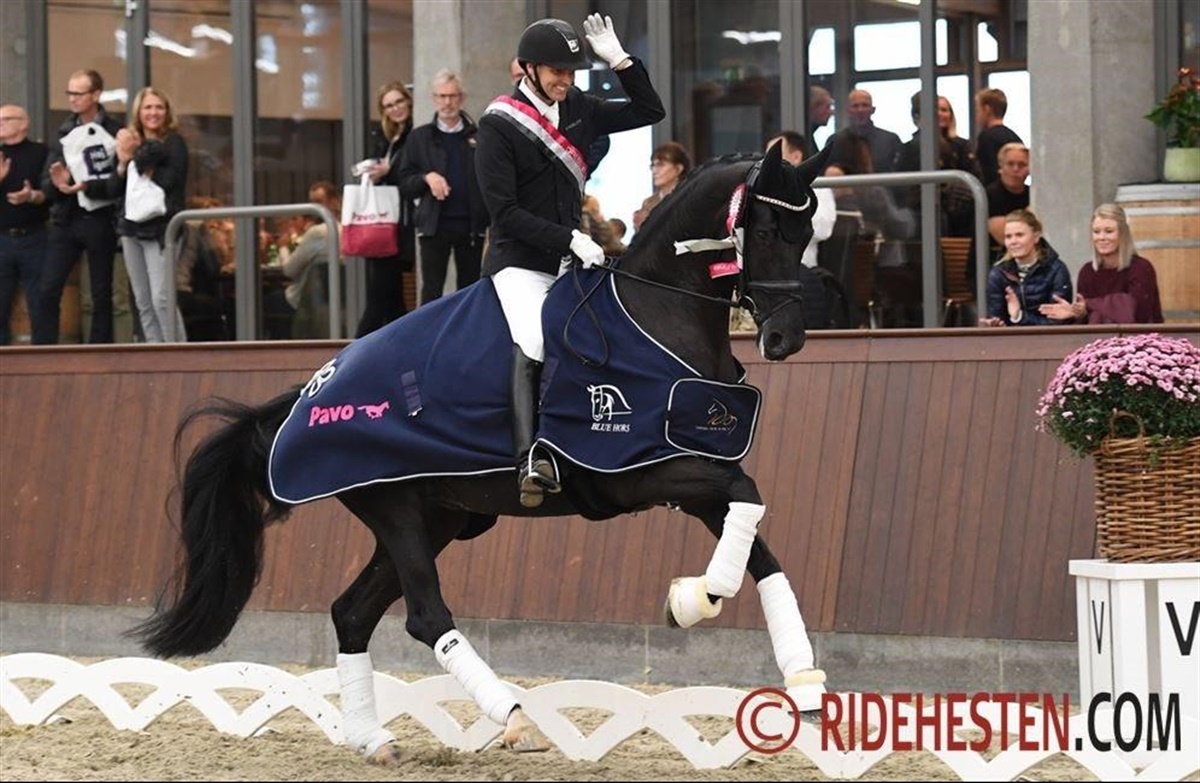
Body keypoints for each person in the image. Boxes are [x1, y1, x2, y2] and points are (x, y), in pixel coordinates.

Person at [477, 14, 665, 507]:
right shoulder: (498, 124)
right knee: (536, 338)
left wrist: (620, 61)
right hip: (519, 262)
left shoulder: (579, 107)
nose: (565, 80)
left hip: (569, 258)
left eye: (571, 71)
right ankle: (529, 459)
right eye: (556, 71)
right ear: (530, 69)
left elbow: (650, 110)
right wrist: (569, 238)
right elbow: (504, 213)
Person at [82, 86, 189, 343]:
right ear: (138, 112)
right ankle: (155, 352)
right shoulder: (129, 143)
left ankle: (178, 354)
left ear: (167, 112)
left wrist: (138, 159)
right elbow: (113, 189)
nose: (154, 113)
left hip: (162, 230)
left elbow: (170, 181)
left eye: (159, 107)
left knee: (161, 298)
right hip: (131, 229)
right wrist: (122, 162)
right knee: (143, 301)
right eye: (148, 107)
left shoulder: (173, 143)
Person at [36, 69, 123, 344]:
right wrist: (59, 184)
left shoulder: (114, 131)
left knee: (100, 293)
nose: (72, 98)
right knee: (48, 288)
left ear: (96, 95)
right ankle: (44, 351)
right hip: (66, 218)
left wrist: (84, 185)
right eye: (69, 93)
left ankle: (99, 352)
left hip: (100, 217)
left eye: (78, 93)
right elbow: (47, 181)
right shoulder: (64, 131)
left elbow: (118, 183)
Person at [395, 69, 488, 306]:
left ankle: (466, 331)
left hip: (472, 226)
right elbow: (404, 183)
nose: (447, 102)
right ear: (434, 99)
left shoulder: (480, 137)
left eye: (452, 96)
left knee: (470, 291)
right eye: (442, 96)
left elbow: (492, 179)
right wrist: (426, 178)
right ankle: (429, 332)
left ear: (462, 98)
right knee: (431, 291)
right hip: (434, 226)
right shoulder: (419, 138)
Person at [1038, 203, 1163, 325]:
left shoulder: (1141, 268)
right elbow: (1085, 319)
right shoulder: (1087, 271)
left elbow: (1136, 312)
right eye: (1096, 232)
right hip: (1097, 337)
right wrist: (1078, 313)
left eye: (1109, 231)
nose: (1101, 237)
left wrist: (1090, 305)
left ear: (1123, 234)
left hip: (1137, 337)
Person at [355, 81, 414, 337]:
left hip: (400, 222)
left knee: (380, 295)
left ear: (409, 101)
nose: (395, 108)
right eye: (389, 106)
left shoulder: (415, 134)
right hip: (383, 222)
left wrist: (389, 172)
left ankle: (353, 348)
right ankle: (402, 346)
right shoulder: (386, 137)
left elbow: (412, 174)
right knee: (391, 298)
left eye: (399, 102)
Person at [0, 104, 50, 345]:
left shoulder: (41, 152)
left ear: (23, 123)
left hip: (35, 237)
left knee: (40, 302)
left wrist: (31, 196)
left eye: (6, 118)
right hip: (1, 239)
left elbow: (50, 194)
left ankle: (44, 356)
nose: (1, 123)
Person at [981, 208, 1071, 327]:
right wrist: (997, 326)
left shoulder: (1056, 269)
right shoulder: (998, 274)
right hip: (1011, 338)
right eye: (1008, 236)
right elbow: (997, 317)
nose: (1013, 241)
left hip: (1048, 337)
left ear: (1036, 237)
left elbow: (1059, 323)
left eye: (1019, 235)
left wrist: (1019, 317)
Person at [768, 131, 835, 270]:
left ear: (796, 157)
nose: (768, 162)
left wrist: (788, 212)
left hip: (802, 268)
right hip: (766, 268)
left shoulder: (819, 187)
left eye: (774, 155)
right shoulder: (765, 187)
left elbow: (824, 230)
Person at [826, 89, 902, 174]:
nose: (860, 110)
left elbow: (901, 171)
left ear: (873, 110)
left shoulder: (891, 140)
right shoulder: (834, 142)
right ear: (848, 111)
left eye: (865, 105)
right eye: (855, 106)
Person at [631, 141, 691, 231]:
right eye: (653, 165)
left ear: (678, 168)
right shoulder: (648, 203)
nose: (654, 170)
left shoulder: (689, 198)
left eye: (660, 165)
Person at [974, 88, 1023, 189]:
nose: (977, 116)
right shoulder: (1014, 137)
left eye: (978, 110)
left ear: (986, 109)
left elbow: (986, 172)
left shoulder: (986, 137)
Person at [806, 85, 834, 158]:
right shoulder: (804, 139)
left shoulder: (808, 135)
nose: (831, 112)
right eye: (827, 107)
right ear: (814, 106)